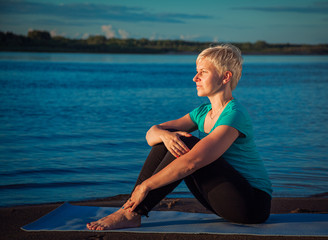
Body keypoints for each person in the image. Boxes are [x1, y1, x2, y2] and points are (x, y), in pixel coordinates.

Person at [87, 44, 272, 230]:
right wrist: (165, 136)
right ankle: (131, 211)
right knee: (167, 140)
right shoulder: (202, 112)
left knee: (183, 142)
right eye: (196, 72)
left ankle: (131, 212)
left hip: (251, 204)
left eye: (203, 72)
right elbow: (151, 135)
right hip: (222, 199)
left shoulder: (234, 114)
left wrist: (146, 186)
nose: (195, 78)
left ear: (225, 77)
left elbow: (193, 161)